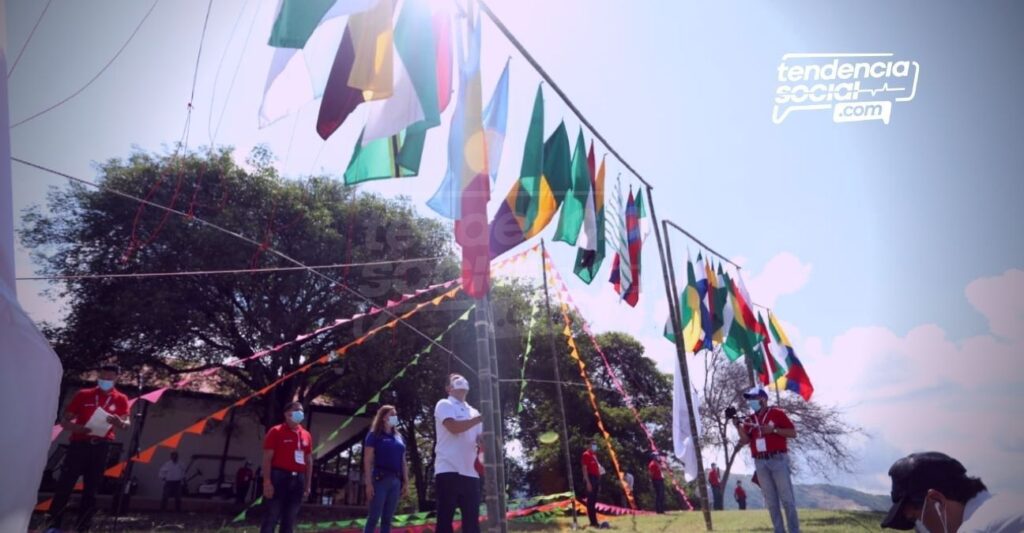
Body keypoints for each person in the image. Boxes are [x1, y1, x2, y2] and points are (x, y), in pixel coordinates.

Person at [45, 364, 131, 533]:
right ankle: (53, 525)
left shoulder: (121, 398)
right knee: (65, 485)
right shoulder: (84, 395)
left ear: (116, 379)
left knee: (91, 489)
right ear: (98, 377)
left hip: (101, 447)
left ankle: (83, 527)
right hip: (79, 444)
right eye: (103, 377)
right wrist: (76, 428)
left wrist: (119, 422)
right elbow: (65, 420)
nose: (106, 380)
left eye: (110, 378)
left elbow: (126, 424)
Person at [881, 451, 1024, 532]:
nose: (921, 531)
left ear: (936, 500)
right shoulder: (1008, 505)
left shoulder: (975, 529)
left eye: (917, 519)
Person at [730, 386, 799, 533]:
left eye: (753, 399)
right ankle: (779, 530)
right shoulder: (750, 419)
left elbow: (793, 433)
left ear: (763, 399)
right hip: (760, 463)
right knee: (771, 502)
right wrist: (738, 426)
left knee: (787, 500)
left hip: (778, 459)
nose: (750, 402)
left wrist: (774, 430)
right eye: (749, 400)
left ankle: (794, 530)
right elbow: (745, 440)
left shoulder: (777, 413)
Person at [433, 374, 483, 533]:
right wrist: (480, 418)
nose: (461, 379)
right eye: (455, 378)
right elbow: (454, 428)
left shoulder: (474, 411)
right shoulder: (444, 404)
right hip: (448, 469)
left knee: (471, 522)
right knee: (445, 520)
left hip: (471, 472)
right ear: (448, 388)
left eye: (462, 377)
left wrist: (487, 441)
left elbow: (480, 440)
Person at [261, 402, 313, 533]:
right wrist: (267, 482)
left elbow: (309, 461)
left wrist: (307, 485)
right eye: (296, 410)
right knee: (271, 517)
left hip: (298, 479)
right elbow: (267, 459)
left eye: (301, 410)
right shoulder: (275, 431)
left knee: (290, 519)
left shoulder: (306, 434)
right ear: (286, 413)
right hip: (279, 476)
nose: (300, 413)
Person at [363, 405, 409, 533]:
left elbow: (403, 460)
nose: (395, 417)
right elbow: (367, 460)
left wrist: (405, 481)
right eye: (392, 414)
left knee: (388, 518)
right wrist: (368, 483)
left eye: (396, 414)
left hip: (396, 481)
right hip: (380, 479)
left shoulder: (399, 436)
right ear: (383, 417)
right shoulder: (374, 435)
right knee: (374, 517)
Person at [581, 439, 609, 527]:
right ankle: (593, 522)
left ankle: (595, 522)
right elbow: (584, 469)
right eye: (593, 444)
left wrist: (598, 481)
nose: (595, 446)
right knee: (590, 502)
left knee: (594, 502)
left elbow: (598, 469)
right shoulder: (586, 454)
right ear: (589, 445)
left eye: (595, 444)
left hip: (596, 478)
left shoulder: (594, 455)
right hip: (590, 478)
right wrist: (588, 482)